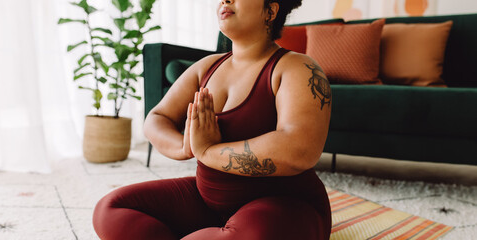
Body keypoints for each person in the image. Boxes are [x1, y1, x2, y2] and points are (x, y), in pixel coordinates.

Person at [93, 0, 332, 239]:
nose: (224, 0)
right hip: (207, 202)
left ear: (270, 10)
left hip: (283, 206)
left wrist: (207, 151)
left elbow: (300, 149)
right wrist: (184, 146)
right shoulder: (206, 67)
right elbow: (156, 118)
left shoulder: (297, 67)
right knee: (110, 209)